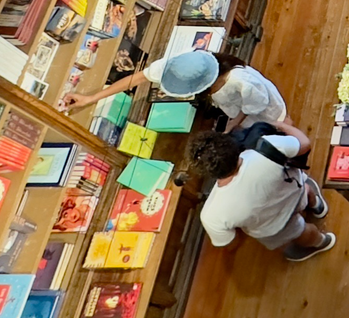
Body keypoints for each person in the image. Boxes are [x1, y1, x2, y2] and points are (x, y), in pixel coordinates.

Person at [188, 120, 335, 263]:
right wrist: (281, 125)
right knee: (307, 188)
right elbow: (304, 144)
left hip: (274, 226)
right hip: (295, 192)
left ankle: (321, 242)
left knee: (302, 232)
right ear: (230, 144)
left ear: (206, 173)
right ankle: (317, 206)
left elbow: (231, 242)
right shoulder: (267, 146)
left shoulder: (211, 216)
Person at [64, 49, 283, 132]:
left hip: (265, 110)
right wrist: (91, 98)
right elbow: (136, 79)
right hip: (236, 112)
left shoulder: (239, 81)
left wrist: (232, 126)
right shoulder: (181, 66)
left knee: (280, 127)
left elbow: (254, 105)